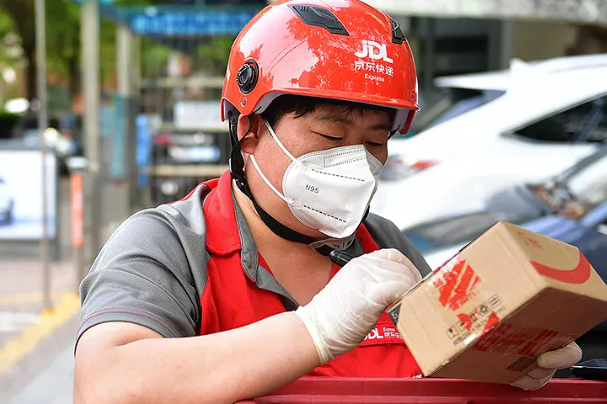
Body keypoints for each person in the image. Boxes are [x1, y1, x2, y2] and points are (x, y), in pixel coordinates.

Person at [73, 1, 582, 403]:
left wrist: (501, 366)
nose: (356, 162)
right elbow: (105, 385)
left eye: (376, 140)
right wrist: (315, 329)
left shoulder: (381, 244)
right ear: (248, 128)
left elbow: (436, 370)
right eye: (331, 134)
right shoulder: (172, 244)